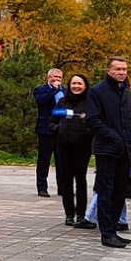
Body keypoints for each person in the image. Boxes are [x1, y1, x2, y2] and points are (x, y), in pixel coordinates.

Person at [84, 57, 131, 248]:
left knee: (119, 191)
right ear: (108, 71)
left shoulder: (125, 91)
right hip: (107, 149)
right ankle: (106, 233)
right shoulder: (98, 91)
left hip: (125, 149)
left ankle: (113, 229)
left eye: (124, 69)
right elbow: (92, 119)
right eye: (118, 69)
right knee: (105, 191)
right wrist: (112, 136)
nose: (122, 72)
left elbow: (129, 118)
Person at [49, 74, 94, 226]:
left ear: (85, 86)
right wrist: (59, 129)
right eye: (74, 83)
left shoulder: (90, 103)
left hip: (82, 146)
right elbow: (52, 122)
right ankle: (69, 214)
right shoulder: (62, 102)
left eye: (79, 84)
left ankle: (81, 214)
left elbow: (95, 123)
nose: (76, 86)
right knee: (66, 181)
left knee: (80, 180)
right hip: (64, 146)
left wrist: (86, 129)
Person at [32, 68, 64, 197]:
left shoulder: (65, 91)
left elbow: (66, 108)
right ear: (48, 77)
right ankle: (42, 187)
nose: (57, 80)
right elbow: (41, 102)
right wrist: (53, 90)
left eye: (60, 77)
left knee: (61, 161)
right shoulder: (41, 90)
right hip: (46, 130)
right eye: (55, 77)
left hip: (61, 130)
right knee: (44, 160)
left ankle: (62, 188)